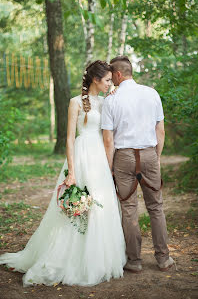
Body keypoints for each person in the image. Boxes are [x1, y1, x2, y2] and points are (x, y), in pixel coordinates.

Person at [0, 60, 126, 286]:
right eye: (107, 80)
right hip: (82, 155)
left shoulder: (106, 102)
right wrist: (72, 172)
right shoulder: (76, 102)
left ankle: (98, 259)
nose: (110, 83)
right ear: (96, 80)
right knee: (77, 206)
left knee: (100, 205)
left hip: (99, 160)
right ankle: (67, 257)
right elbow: (69, 138)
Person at [101, 56, 174, 274]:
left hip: (124, 157)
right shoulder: (152, 94)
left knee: (129, 208)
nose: (110, 80)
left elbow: (108, 140)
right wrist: (156, 156)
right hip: (149, 153)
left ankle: (134, 261)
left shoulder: (111, 101)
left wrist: (109, 167)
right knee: (156, 207)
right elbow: (160, 131)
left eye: (111, 75)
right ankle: (163, 258)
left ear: (118, 75)